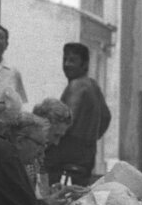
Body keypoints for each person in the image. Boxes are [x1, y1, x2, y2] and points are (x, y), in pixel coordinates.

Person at [44, 42, 111, 186]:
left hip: (67, 151)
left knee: (38, 161)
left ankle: (46, 200)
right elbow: (106, 117)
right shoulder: (93, 85)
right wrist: (91, 137)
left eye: (72, 60)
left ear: (85, 64)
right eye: (65, 59)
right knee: (80, 192)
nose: (67, 64)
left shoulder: (76, 85)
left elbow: (65, 119)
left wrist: (48, 140)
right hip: (88, 154)